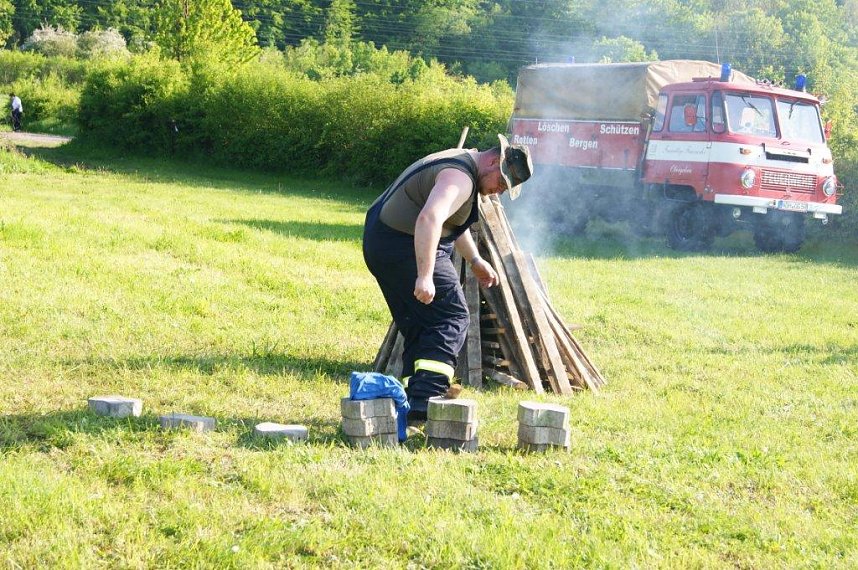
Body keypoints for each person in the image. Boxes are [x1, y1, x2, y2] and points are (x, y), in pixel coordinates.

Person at [363, 134, 534, 420]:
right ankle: (428, 398)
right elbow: (430, 218)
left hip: (382, 241)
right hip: (404, 243)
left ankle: (409, 403)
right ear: (494, 161)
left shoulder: (462, 165)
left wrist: (475, 260)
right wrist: (425, 275)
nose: (497, 192)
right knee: (452, 317)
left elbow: (450, 220)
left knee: (420, 323)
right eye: (501, 183)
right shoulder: (461, 177)